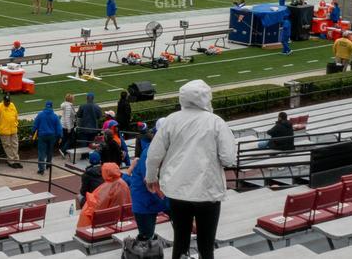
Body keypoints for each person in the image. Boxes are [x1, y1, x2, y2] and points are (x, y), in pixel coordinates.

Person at [145, 80, 237, 259]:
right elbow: (228, 159)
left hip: (177, 190)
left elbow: (154, 154)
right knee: (206, 245)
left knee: (180, 241)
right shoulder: (216, 122)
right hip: (207, 191)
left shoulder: (171, 120)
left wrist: (151, 177)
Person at [122, 123, 169, 242]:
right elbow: (149, 182)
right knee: (146, 239)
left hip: (155, 199)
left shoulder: (165, 150)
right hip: (145, 202)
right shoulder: (149, 153)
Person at [77, 163, 131, 229]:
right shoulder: (123, 183)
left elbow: (98, 207)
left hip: (107, 220)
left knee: (86, 211)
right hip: (122, 217)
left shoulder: (107, 187)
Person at [31, 100, 62, 174]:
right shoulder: (55, 116)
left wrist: (32, 133)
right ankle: (48, 164)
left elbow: (35, 125)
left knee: (41, 152)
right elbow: (59, 128)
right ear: (52, 106)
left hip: (42, 136)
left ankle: (41, 169)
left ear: (45, 106)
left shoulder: (40, 115)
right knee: (50, 151)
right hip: (52, 136)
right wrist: (60, 136)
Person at [0, 95, 20, 168]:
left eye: (8, 101)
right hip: (4, 130)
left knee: (15, 145)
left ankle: (16, 160)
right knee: (7, 146)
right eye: (6, 101)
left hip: (13, 129)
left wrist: (16, 123)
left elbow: (16, 115)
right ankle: (11, 161)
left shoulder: (12, 105)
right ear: (3, 101)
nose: (8, 103)